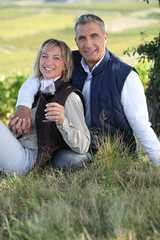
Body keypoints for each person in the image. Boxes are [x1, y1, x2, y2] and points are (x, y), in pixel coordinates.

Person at [10, 14, 160, 167]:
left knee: (65, 162)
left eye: (94, 36)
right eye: (82, 38)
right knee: (59, 159)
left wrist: (157, 162)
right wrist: (23, 107)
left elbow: (140, 124)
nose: (88, 44)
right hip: (75, 141)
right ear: (76, 41)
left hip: (110, 149)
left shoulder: (125, 75)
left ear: (105, 37)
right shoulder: (70, 61)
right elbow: (36, 78)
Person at [0, 38, 91, 175]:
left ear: (65, 65)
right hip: (16, 148)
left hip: (29, 161)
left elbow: (83, 146)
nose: (48, 62)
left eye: (56, 58)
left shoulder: (69, 96)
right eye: (44, 56)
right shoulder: (35, 88)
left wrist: (63, 122)